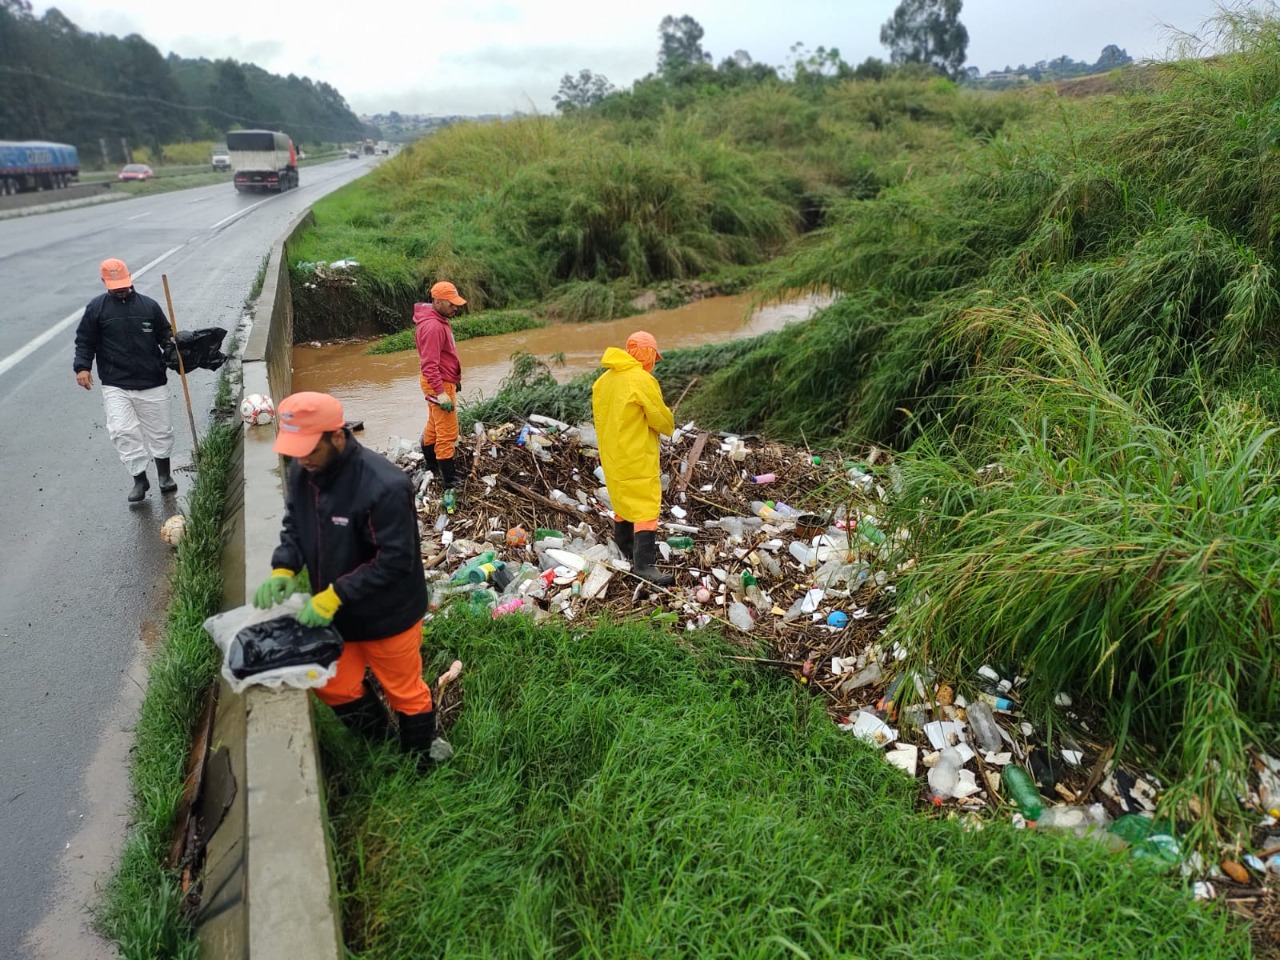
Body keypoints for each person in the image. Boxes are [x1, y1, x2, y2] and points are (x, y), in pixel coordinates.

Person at [251, 391, 437, 768]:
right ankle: (381, 743)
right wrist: (285, 566)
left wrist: (335, 594)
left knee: (404, 690)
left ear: (337, 436)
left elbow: (396, 561)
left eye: (308, 448)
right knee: (330, 683)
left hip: (389, 614)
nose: (301, 458)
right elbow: (295, 525)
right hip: (336, 611)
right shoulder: (304, 471)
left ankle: (420, 760)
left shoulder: (385, 485)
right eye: (294, 449)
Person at [73, 258, 179, 503]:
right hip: (115, 382)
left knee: (160, 431)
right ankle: (139, 480)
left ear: (130, 278)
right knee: (122, 430)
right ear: (104, 282)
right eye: (115, 284)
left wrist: (172, 347)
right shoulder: (96, 309)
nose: (121, 288)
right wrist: (82, 367)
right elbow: (84, 341)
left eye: (123, 283)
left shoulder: (149, 306)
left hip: (152, 379)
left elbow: (165, 334)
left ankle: (165, 476)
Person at [591, 331, 675, 586]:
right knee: (646, 506)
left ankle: (624, 548)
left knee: (622, 500)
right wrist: (670, 424)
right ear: (648, 354)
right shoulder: (641, 380)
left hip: (613, 454)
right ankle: (644, 565)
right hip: (636, 454)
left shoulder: (604, 381)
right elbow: (662, 420)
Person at [414, 280, 466, 513]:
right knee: (448, 432)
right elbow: (429, 365)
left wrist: (455, 379)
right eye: (452, 304)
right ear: (437, 301)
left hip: (444, 381)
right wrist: (442, 392)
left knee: (434, 425)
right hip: (438, 384)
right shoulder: (433, 327)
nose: (456, 308)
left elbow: (445, 357)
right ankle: (449, 480)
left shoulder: (437, 320)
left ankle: (432, 466)